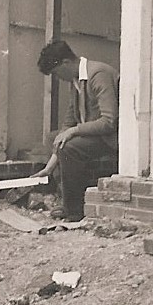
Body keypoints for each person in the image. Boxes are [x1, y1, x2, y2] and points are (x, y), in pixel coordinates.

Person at [33, 40, 119, 222]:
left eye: (56, 73)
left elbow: (109, 121)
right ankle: (66, 197)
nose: (57, 78)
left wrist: (73, 131)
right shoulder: (76, 81)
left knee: (70, 147)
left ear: (66, 63)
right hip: (94, 134)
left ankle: (74, 210)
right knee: (53, 138)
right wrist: (49, 167)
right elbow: (69, 120)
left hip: (110, 137)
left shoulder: (98, 74)